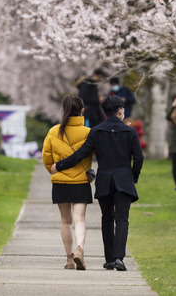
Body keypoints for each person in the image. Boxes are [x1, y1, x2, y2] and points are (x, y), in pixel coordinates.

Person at [53, 95, 144, 272]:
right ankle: (119, 258)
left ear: (104, 112)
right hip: (124, 179)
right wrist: (133, 176)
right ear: (120, 112)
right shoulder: (130, 131)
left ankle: (109, 259)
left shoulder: (96, 131)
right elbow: (138, 158)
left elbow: (81, 154)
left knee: (107, 217)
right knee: (122, 219)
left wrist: (60, 165)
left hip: (104, 180)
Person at [41, 96, 93, 270]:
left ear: (64, 110)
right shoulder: (87, 132)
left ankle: (69, 259)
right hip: (80, 182)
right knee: (79, 220)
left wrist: (55, 171)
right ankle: (80, 250)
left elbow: (47, 157)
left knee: (65, 221)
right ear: (82, 110)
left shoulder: (54, 131)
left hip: (60, 182)